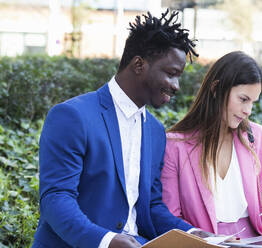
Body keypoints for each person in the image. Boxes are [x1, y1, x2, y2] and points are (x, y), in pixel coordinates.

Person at [32, 9, 209, 248]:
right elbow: (56, 199)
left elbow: (152, 207)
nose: (176, 86)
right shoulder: (72, 116)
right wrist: (106, 241)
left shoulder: (155, 132)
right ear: (138, 64)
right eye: (171, 74)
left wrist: (193, 234)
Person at [161, 51, 262, 247]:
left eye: (253, 102)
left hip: (255, 239)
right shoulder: (175, 146)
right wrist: (210, 239)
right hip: (208, 242)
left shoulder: (255, 136)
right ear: (216, 89)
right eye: (243, 99)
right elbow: (171, 219)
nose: (248, 111)